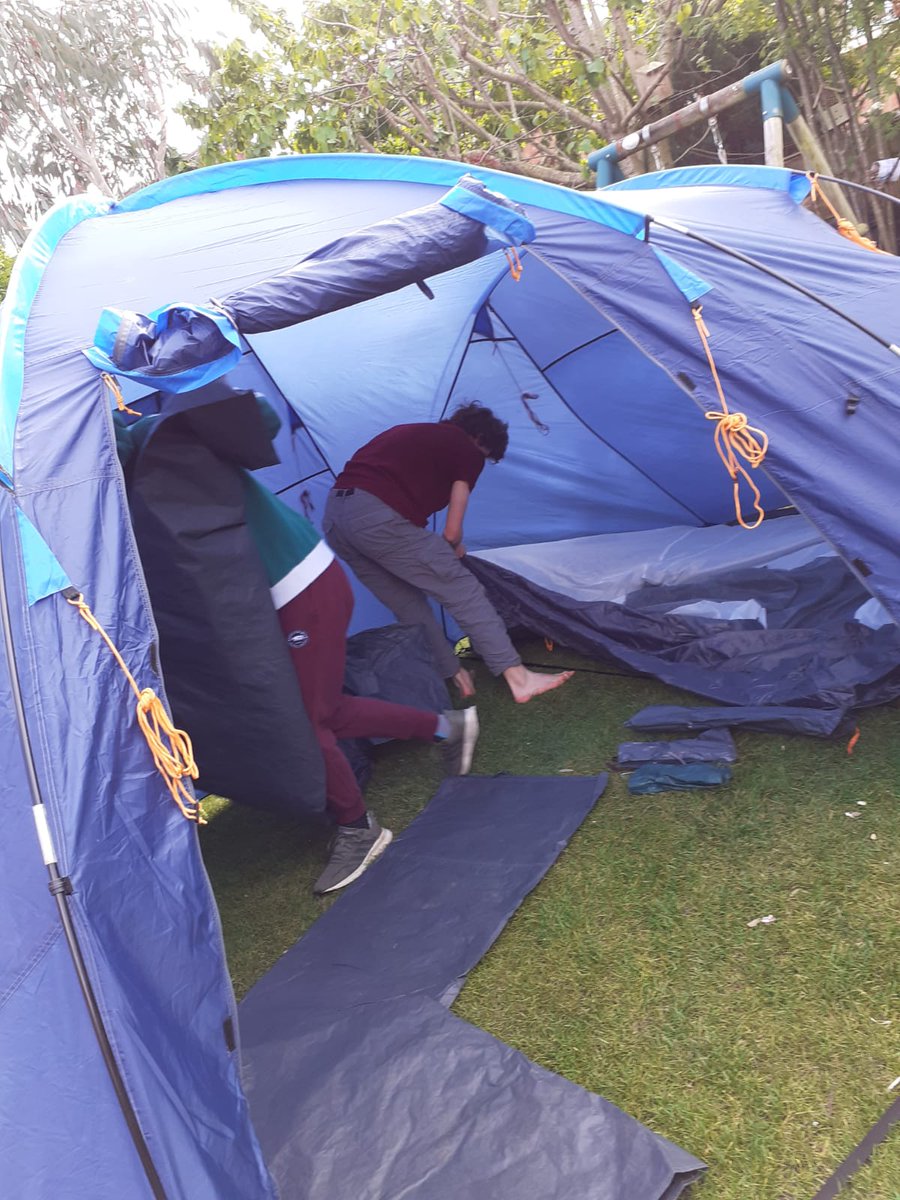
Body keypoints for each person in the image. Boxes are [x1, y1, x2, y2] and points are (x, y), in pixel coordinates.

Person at [241, 471, 478, 896]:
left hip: (297, 593)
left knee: (306, 722)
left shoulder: (159, 450)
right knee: (330, 710)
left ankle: (358, 829)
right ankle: (448, 728)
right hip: (296, 589)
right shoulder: (153, 463)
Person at [323, 403, 574, 704]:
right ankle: (518, 678)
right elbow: (452, 531)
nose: (481, 464)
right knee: (462, 590)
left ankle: (455, 676)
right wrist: (454, 548)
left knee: (407, 605)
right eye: (486, 456)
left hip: (336, 521)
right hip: (377, 518)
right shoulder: (465, 448)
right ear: (480, 438)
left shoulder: (408, 433)